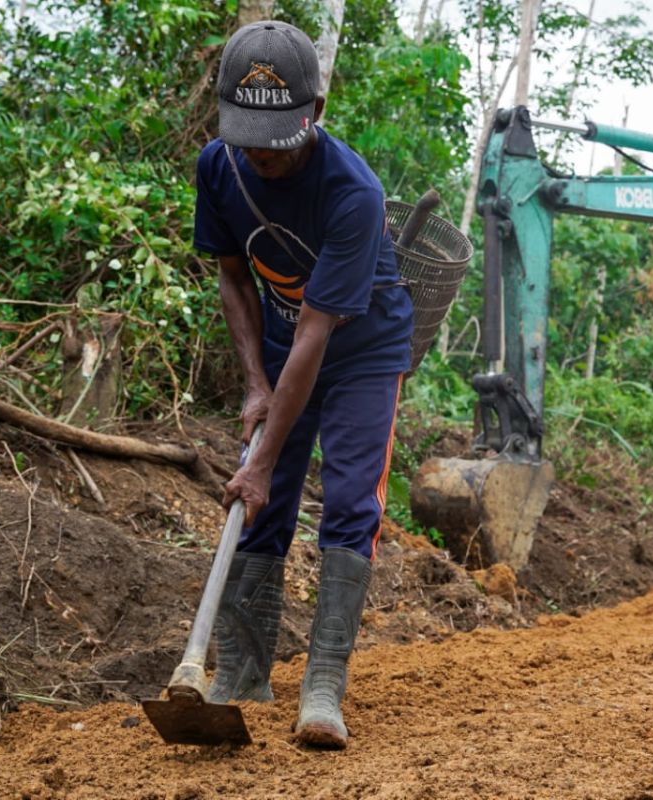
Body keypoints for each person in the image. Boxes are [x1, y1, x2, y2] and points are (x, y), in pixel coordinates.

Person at [192, 20, 414, 749]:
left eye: (275, 137)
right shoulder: (219, 168)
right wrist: (256, 383)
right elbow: (233, 275)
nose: (259, 153)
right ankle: (240, 673)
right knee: (267, 501)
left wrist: (256, 461)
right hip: (286, 341)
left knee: (349, 499)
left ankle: (322, 684)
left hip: (362, 351)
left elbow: (320, 330)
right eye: (247, 134)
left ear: (314, 114)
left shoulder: (355, 193)